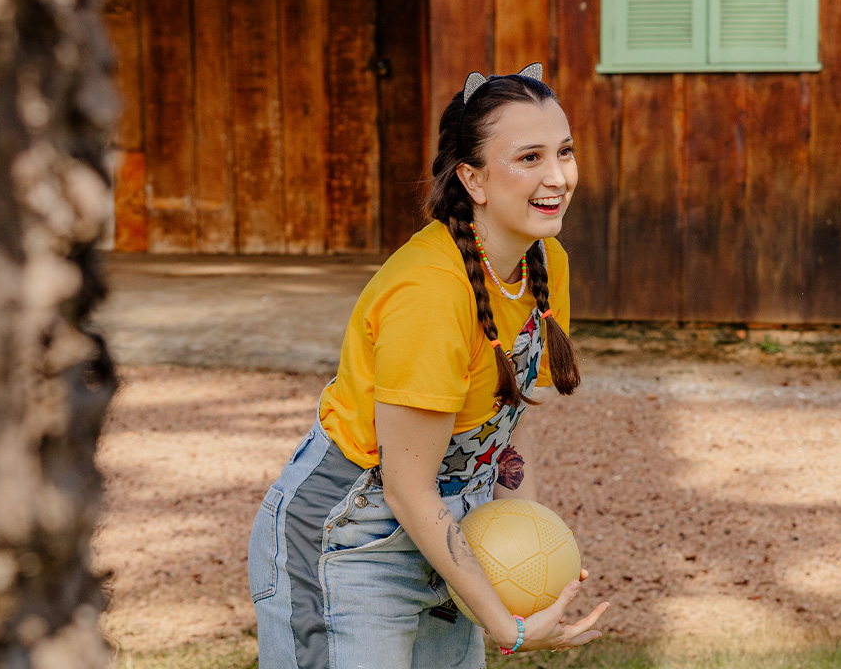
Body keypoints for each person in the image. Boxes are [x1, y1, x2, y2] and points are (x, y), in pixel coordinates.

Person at [248, 63, 609, 669]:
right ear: (473, 178)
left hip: (450, 532)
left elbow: (507, 431)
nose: (557, 177)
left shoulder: (546, 263)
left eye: (565, 152)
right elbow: (407, 487)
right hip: (350, 546)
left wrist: (528, 555)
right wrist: (506, 627)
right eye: (528, 158)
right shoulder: (430, 290)